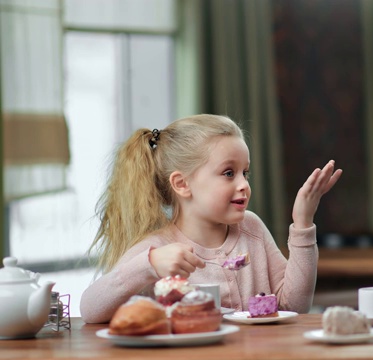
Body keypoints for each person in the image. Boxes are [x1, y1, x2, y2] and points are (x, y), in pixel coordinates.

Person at [80, 114, 342, 323]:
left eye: (245, 173)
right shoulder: (157, 250)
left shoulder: (251, 228)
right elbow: (90, 309)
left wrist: (303, 223)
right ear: (182, 184)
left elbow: (293, 306)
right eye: (229, 173)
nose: (243, 184)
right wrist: (147, 265)